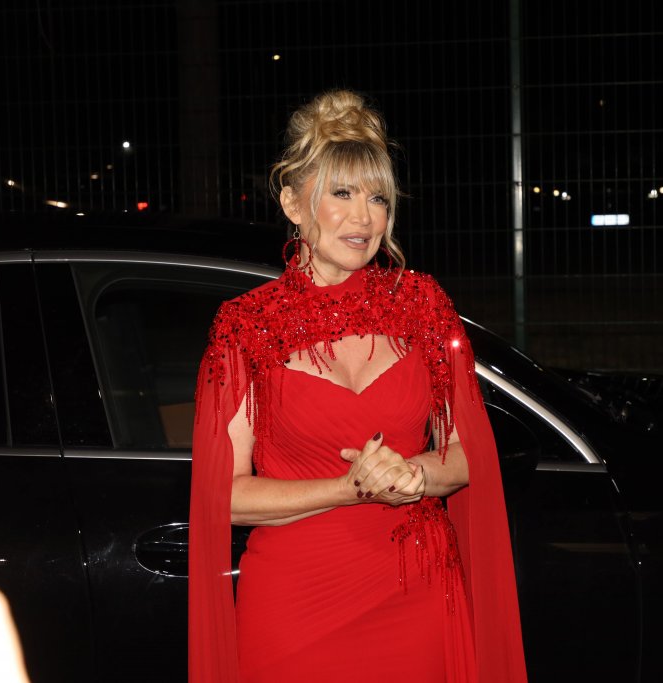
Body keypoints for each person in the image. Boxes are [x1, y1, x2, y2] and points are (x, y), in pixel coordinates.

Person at [189, 89, 526, 683]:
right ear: (293, 203)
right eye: (341, 194)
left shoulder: (423, 305)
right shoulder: (244, 326)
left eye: (377, 198)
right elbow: (226, 497)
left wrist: (414, 474)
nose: (364, 218)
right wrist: (349, 489)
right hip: (295, 607)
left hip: (418, 595)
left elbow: (468, 452)